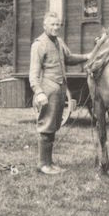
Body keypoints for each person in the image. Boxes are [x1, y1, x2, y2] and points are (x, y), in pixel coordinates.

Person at [29, 12, 89, 174]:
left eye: (58, 25)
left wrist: (87, 56)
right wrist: (39, 92)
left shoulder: (59, 42)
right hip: (48, 88)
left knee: (54, 125)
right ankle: (43, 164)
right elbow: (33, 73)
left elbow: (69, 58)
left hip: (61, 88)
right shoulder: (39, 44)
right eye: (52, 25)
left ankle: (49, 162)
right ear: (45, 26)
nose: (56, 28)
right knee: (46, 124)